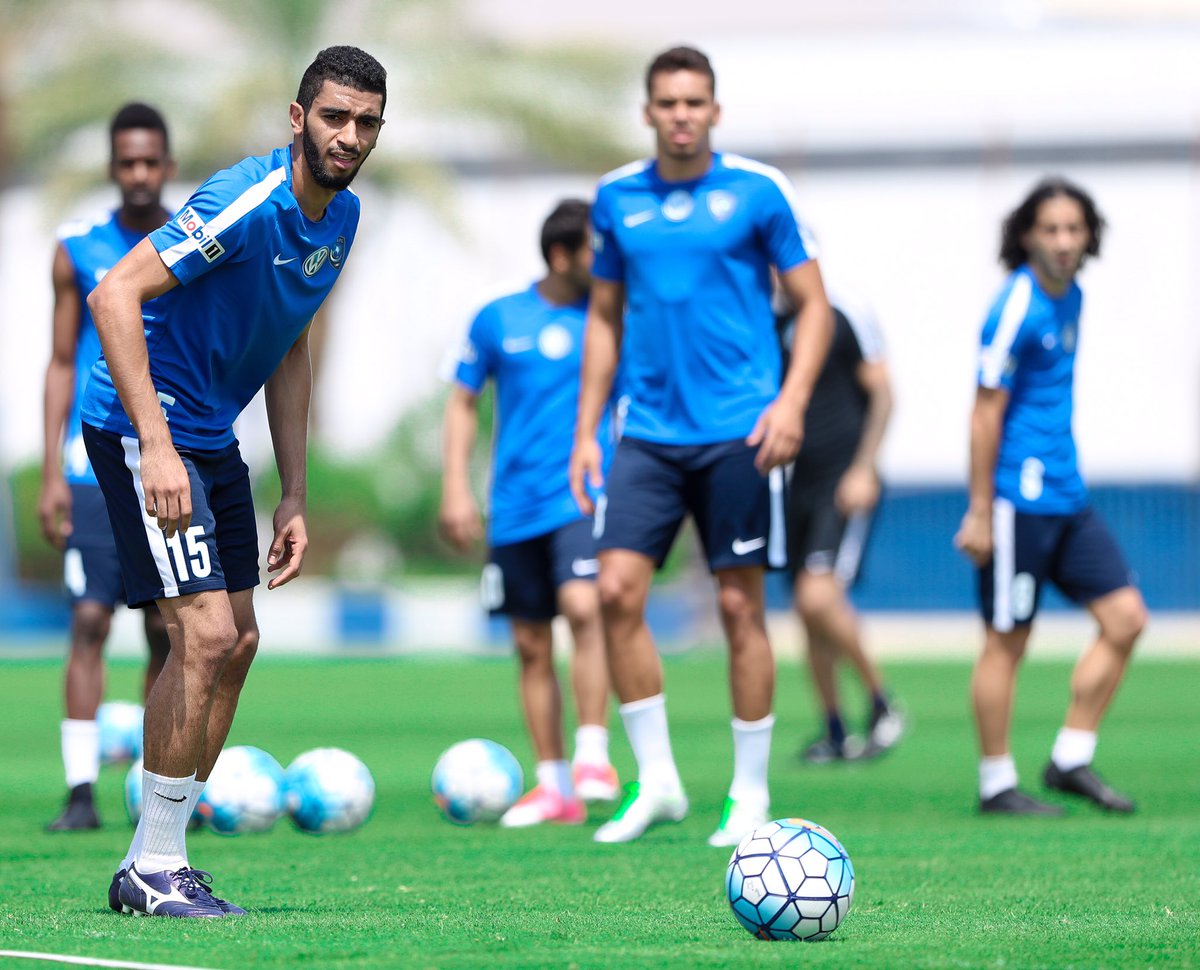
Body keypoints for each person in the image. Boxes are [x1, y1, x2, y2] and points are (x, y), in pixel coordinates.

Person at [81, 46, 386, 916]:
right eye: (334, 116)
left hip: (212, 436)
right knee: (204, 638)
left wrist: (293, 489)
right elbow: (114, 295)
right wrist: (158, 442)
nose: (349, 135)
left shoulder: (344, 218)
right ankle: (154, 866)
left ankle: (153, 858)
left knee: (240, 642)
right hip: (149, 428)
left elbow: (289, 345)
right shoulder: (246, 202)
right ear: (299, 119)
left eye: (366, 122)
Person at [569, 46, 832, 846]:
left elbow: (814, 307)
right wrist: (586, 429)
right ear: (648, 112)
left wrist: (791, 401)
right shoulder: (616, 198)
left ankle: (749, 793)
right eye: (667, 102)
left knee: (735, 605)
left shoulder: (758, 192)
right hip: (646, 433)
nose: (681, 114)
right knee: (615, 592)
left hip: (740, 432)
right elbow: (606, 318)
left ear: (714, 111)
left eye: (695, 102)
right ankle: (658, 785)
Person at [955, 177, 1146, 816]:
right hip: (1017, 500)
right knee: (1008, 639)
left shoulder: (1075, 298)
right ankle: (995, 782)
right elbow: (984, 412)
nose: (1064, 242)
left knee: (1126, 619)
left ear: (1088, 236)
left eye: (1074, 229)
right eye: (1051, 229)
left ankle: (1070, 758)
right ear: (1028, 236)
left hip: (1069, 494)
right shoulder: (1015, 305)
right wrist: (981, 510)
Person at [439, 199, 621, 828]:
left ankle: (594, 753)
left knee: (583, 607)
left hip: (580, 496)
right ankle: (554, 785)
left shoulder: (611, 320)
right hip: (512, 507)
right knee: (530, 643)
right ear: (563, 254)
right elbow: (462, 402)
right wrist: (456, 489)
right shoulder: (497, 317)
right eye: (596, 250)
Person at [41, 103, 175, 832]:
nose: (139, 175)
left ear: (169, 166)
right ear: (112, 167)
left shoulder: (194, 243)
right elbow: (61, 361)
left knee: (165, 628)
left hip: (163, 461)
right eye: (127, 162)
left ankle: (152, 786)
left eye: (151, 161)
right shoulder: (79, 250)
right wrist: (52, 472)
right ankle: (80, 791)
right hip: (91, 467)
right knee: (90, 619)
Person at [776, 286, 905, 763]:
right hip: (797, 486)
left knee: (819, 596)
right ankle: (834, 728)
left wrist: (865, 466)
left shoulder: (842, 315)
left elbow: (884, 393)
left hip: (842, 479)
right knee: (806, 613)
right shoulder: (766, 325)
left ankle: (881, 702)